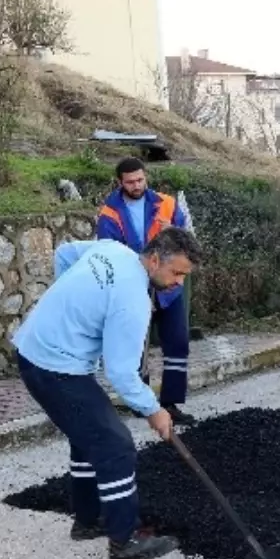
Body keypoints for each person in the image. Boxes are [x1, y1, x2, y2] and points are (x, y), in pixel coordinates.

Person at [11, 228, 203, 559]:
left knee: (88, 436)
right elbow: (121, 374)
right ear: (155, 259)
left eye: (184, 277)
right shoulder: (134, 301)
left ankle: (88, 520)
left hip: (37, 352)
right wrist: (154, 411)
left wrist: (74, 303)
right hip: (53, 366)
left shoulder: (113, 250)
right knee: (116, 445)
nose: (178, 283)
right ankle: (124, 540)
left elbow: (65, 253)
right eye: (176, 273)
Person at [96, 157, 197, 426]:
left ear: (146, 177)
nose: (137, 185)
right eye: (130, 182)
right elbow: (109, 252)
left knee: (177, 342)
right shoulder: (109, 214)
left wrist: (174, 230)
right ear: (120, 182)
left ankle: (171, 403)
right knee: (137, 346)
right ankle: (142, 404)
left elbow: (187, 239)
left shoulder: (167, 203)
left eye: (140, 179)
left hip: (169, 286)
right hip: (136, 284)